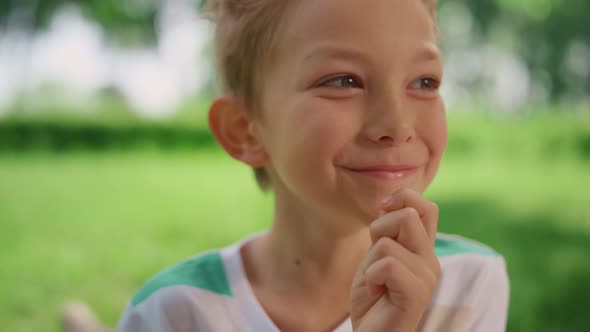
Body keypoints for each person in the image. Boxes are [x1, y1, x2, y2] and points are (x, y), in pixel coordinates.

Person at [116, 0, 510, 331]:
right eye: (343, 82)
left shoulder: (469, 283)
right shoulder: (173, 313)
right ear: (245, 131)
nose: (396, 126)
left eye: (424, 82)